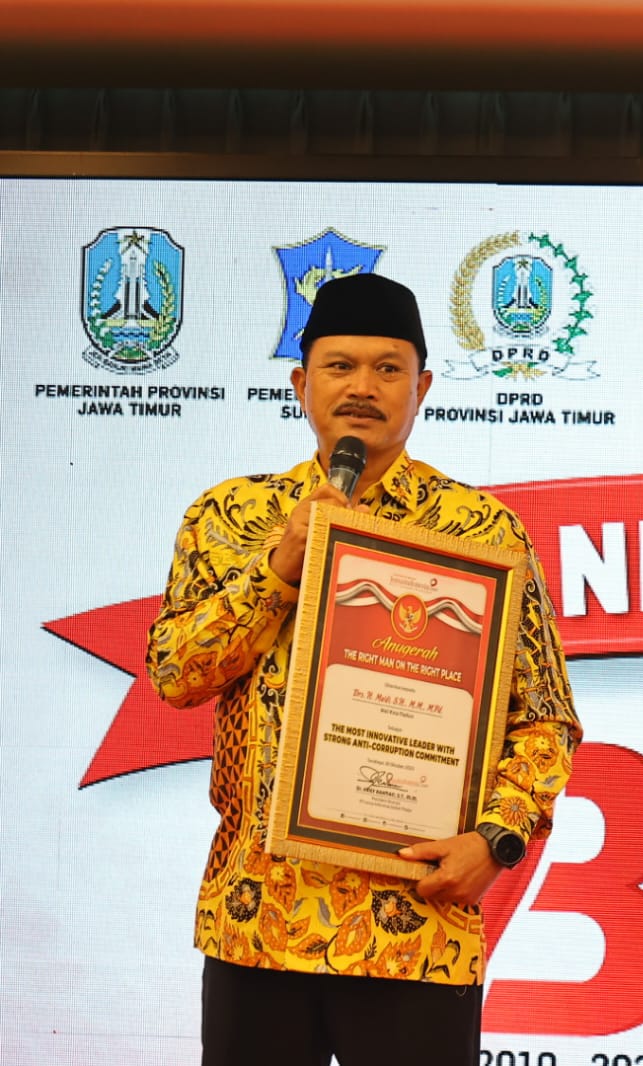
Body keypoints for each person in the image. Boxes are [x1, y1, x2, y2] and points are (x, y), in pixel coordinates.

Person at [146, 273, 581, 1066]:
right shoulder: (230, 516)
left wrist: (497, 840)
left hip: (415, 927)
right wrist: (279, 568)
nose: (362, 388)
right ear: (300, 383)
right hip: (256, 922)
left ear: (422, 388)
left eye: (387, 369)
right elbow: (175, 674)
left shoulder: (479, 530)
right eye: (339, 366)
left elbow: (546, 717)